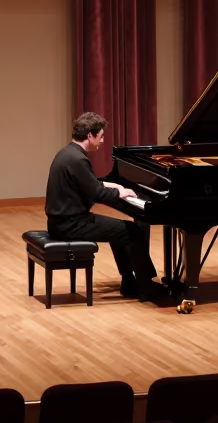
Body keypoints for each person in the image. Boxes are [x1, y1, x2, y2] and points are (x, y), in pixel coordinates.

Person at [45, 112, 170, 303]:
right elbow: (96, 193)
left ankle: (129, 282)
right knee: (132, 231)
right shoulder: (78, 160)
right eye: (101, 136)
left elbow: (90, 184)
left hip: (62, 221)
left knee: (119, 231)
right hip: (71, 224)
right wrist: (119, 193)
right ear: (90, 135)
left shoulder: (68, 153)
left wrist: (116, 186)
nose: (102, 141)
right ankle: (145, 285)